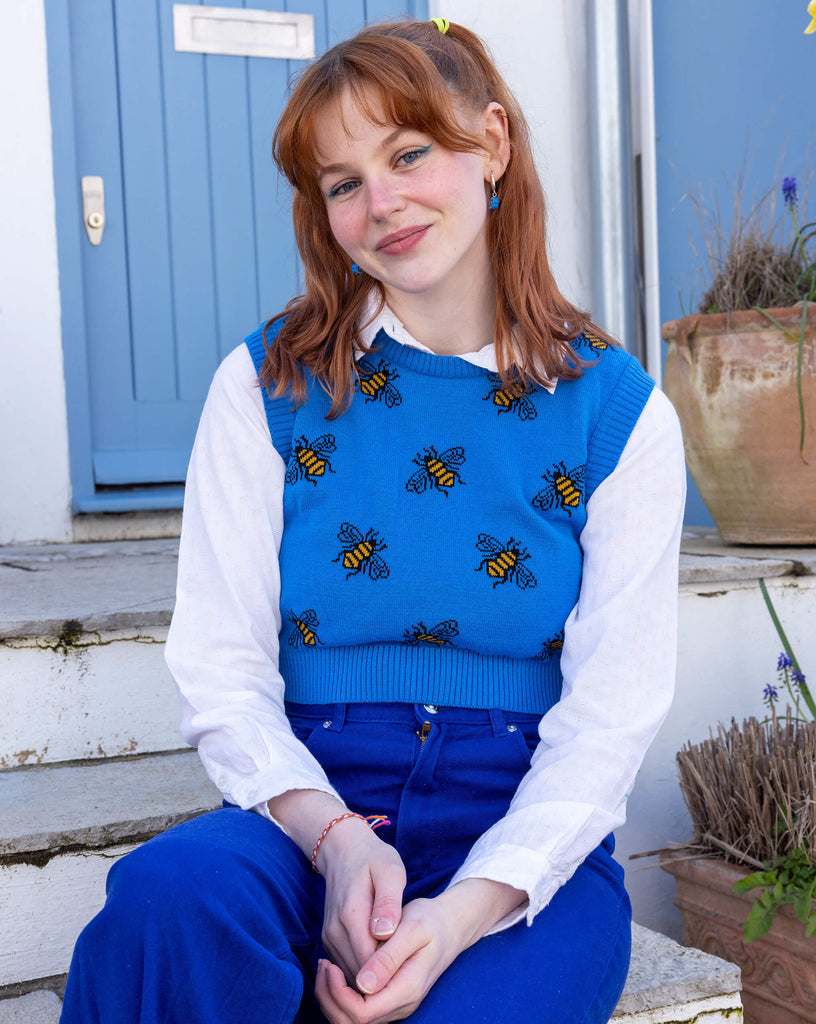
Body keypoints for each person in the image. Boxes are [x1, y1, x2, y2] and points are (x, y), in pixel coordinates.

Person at [61, 17, 685, 1024]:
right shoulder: (266, 386)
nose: (380, 203)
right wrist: (337, 839)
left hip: (518, 833)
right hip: (312, 806)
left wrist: (459, 916)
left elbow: (608, 722)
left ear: (491, 143)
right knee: (168, 899)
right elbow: (221, 668)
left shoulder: (615, 414)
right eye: (343, 182)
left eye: (408, 154)